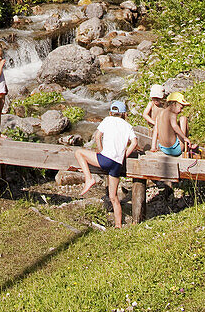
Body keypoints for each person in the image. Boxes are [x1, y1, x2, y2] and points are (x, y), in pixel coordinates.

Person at [74, 99, 138, 228]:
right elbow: (135, 142)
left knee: (79, 153)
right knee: (113, 197)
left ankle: (89, 179)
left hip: (106, 160)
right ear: (124, 114)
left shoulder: (107, 120)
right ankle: (118, 225)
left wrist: (101, 151)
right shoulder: (127, 125)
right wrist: (124, 156)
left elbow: (97, 136)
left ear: (110, 113)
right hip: (117, 164)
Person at [151, 92, 194, 156]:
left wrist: (153, 146)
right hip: (175, 150)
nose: (181, 110)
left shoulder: (160, 113)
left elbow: (156, 130)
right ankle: (186, 145)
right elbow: (174, 126)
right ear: (174, 104)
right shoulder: (171, 113)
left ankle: (186, 143)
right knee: (183, 119)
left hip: (163, 148)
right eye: (181, 108)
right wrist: (185, 138)